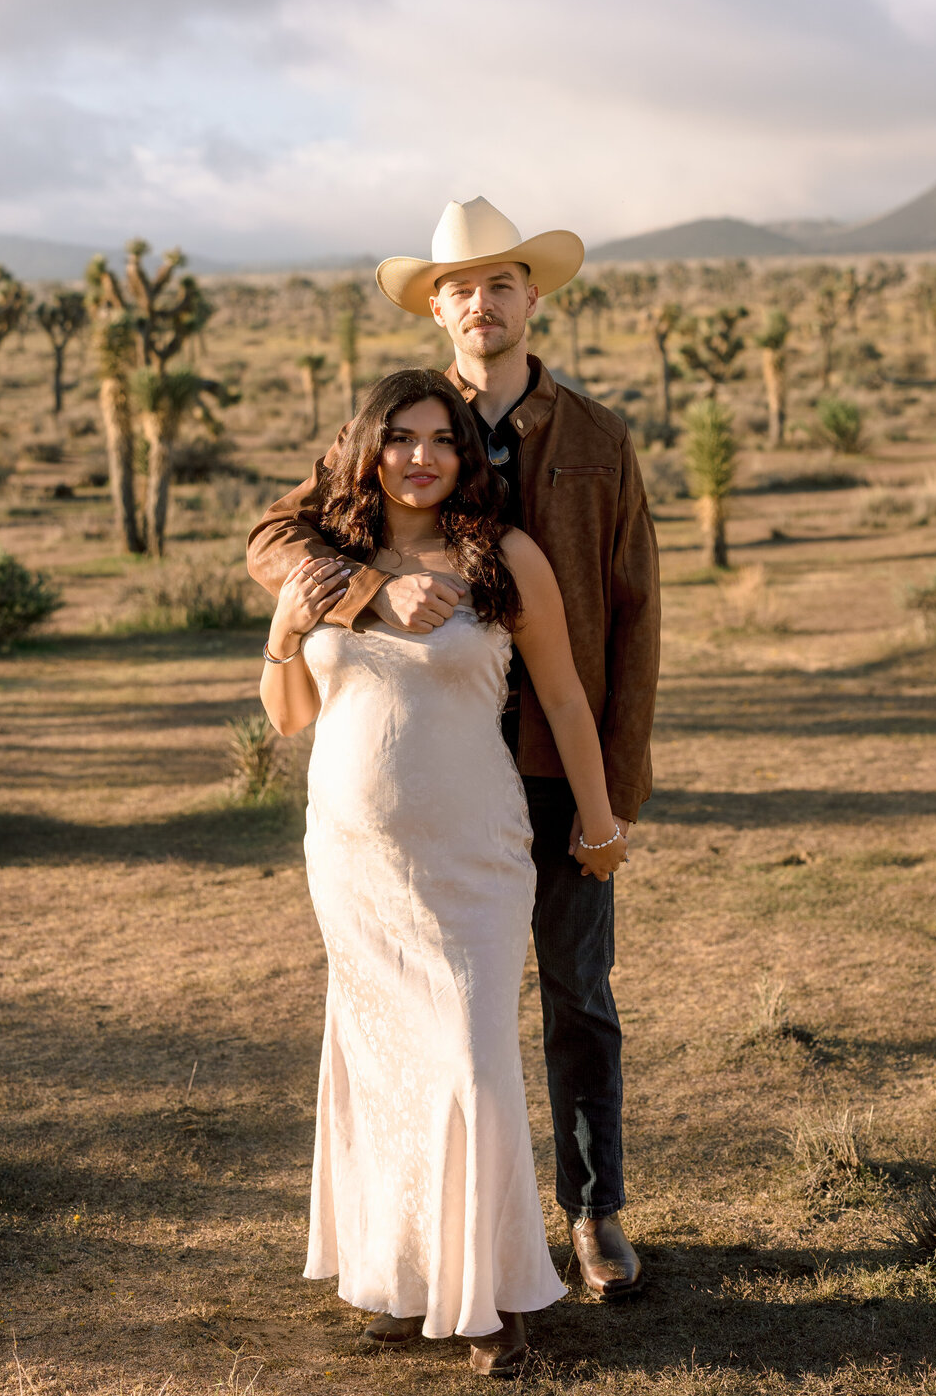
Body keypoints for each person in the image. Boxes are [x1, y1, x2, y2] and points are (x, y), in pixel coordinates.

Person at [248, 196, 660, 1304]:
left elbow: (632, 618)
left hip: (551, 763)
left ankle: (593, 1212)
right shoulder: (397, 427)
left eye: (501, 284)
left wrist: (609, 799)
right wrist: (373, 589)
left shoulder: (598, 442)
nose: (482, 303)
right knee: (436, 1015)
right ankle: (437, 1238)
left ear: (533, 300)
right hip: (430, 774)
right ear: (440, 311)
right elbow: (275, 537)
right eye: (459, 288)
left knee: (578, 990)